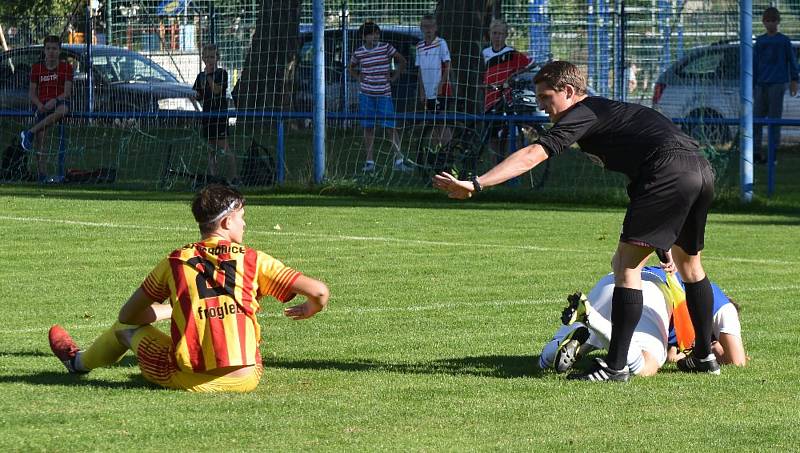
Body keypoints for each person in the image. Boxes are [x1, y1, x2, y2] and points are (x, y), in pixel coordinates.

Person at [433, 60, 719, 382]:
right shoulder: (605, 112)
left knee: (625, 266)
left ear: (568, 92)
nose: (543, 108)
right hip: (700, 169)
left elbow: (533, 155)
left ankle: (615, 367)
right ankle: (704, 356)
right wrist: (661, 239)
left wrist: (477, 183)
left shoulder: (582, 113)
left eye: (546, 98)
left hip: (669, 171)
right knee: (690, 267)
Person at [48, 184, 330, 392]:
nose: (244, 223)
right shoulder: (254, 259)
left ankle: (78, 362)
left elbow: (128, 315)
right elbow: (319, 292)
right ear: (226, 221)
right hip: (246, 377)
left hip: (187, 379)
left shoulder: (175, 260)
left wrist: (166, 311)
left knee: (123, 330)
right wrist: (310, 307)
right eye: (242, 216)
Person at [539, 267, 672, 378]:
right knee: (647, 364)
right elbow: (676, 353)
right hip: (653, 289)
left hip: (613, 279)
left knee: (553, 351)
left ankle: (561, 349)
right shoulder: (684, 281)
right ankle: (591, 319)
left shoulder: (677, 265)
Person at [348, 20, 411, 173]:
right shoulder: (359, 52)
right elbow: (350, 67)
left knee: (390, 127)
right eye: (371, 34)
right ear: (364, 37)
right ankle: (370, 162)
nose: (374, 37)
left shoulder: (386, 48)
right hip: (366, 95)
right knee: (368, 127)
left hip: (384, 94)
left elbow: (402, 61)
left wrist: (394, 76)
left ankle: (399, 160)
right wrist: (358, 77)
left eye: (376, 33)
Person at [19, 35, 73, 183]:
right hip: (42, 105)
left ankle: (29, 132)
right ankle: (42, 175)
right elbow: (31, 93)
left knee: (63, 110)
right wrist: (39, 104)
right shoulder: (37, 68)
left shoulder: (66, 67)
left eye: (54, 49)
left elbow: (67, 93)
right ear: (44, 50)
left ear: (59, 51)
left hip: (58, 102)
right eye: (48, 48)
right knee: (41, 141)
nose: (51, 52)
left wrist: (54, 100)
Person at [665, 272, 746, 367]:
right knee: (737, 362)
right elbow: (672, 356)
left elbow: (672, 356)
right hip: (665, 287)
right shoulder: (721, 306)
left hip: (659, 280)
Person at [481, 19, 532, 162]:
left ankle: (511, 170)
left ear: (506, 35)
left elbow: (530, 64)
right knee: (492, 136)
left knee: (509, 135)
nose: (497, 37)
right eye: (495, 33)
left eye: (501, 34)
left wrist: (512, 76)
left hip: (507, 99)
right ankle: (494, 169)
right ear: (490, 34)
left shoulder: (511, 53)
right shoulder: (484, 53)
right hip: (489, 99)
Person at [753, 7, 799, 164]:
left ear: (778, 22)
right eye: (768, 20)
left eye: (774, 20)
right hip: (761, 85)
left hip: (777, 85)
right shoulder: (759, 41)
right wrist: (753, 84)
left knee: (774, 120)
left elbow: (792, 62)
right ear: (763, 22)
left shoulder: (784, 41)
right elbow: (754, 64)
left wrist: (794, 80)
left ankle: (772, 154)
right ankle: (756, 152)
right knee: (756, 119)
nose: (771, 23)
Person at [193, 43, 239, 185]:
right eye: (206, 57)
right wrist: (194, 95)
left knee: (224, 148)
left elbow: (217, 90)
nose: (209, 60)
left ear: (217, 58)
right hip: (207, 116)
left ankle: (233, 178)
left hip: (219, 116)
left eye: (212, 57)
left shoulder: (222, 74)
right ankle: (214, 178)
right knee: (210, 149)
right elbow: (198, 95)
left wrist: (208, 78)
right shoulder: (200, 76)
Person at [416, 14, 453, 151]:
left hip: (441, 91)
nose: (428, 30)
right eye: (425, 27)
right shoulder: (419, 46)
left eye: (431, 26)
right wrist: (422, 91)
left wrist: (441, 85)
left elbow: (448, 65)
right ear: (421, 28)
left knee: (442, 123)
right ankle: (437, 154)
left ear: (436, 28)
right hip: (427, 92)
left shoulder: (441, 43)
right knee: (432, 124)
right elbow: (419, 69)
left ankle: (448, 153)